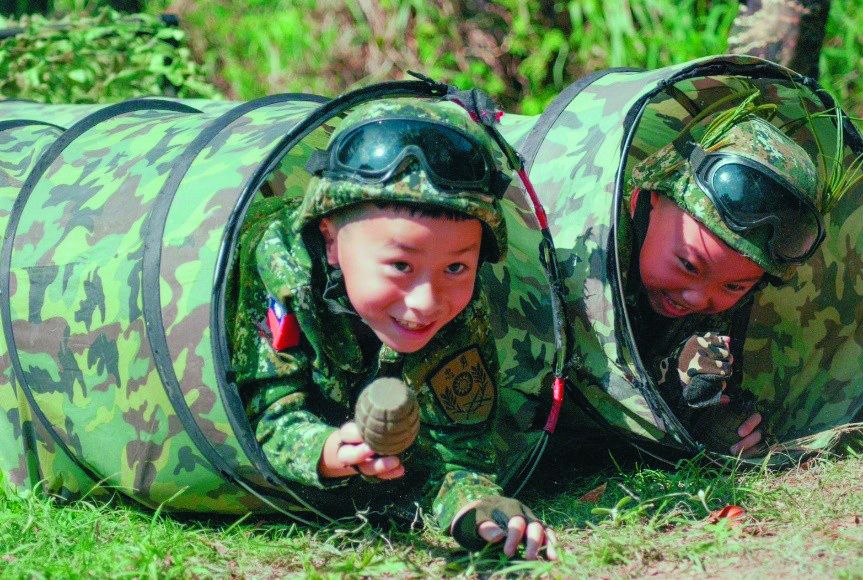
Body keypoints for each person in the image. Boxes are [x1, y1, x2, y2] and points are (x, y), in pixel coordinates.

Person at [229, 98, 556, 560]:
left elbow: (460, 452)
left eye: (457, 266)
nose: (426, 301)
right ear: (330, 239)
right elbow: (266, 410)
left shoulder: (459, 306)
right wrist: (324, 451)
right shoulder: (279, 265)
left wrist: (480, 512)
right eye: (401, 265)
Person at [624, 108, 828, 455]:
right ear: (646, 202)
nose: (697, 297)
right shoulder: (582, 259)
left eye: (734, 287)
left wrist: (725, 425)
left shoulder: (725, 319)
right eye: (688, 265)